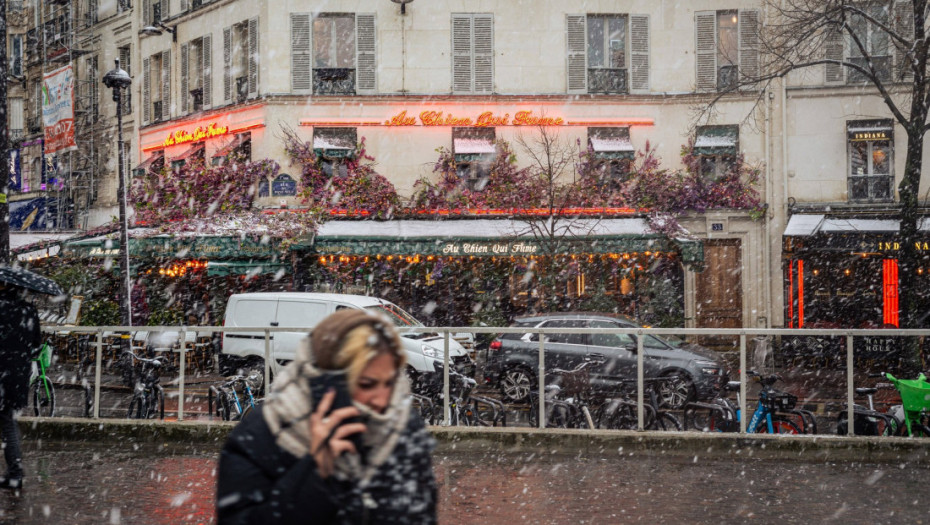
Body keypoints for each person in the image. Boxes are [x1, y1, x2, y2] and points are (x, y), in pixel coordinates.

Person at [216, 309, 437, 524]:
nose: (382, 401)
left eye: (390, 383)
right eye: (366, 384)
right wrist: (316, 472)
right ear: (325, 381)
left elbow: (421, 513)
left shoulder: (402, 425)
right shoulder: (263, 432)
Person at [0, 282, 42, 490]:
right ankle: (15, 472)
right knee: (9, 423)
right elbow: (37, 343)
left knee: (8, 423)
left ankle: (15, 472)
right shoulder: (28, 309)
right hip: (17, 375)